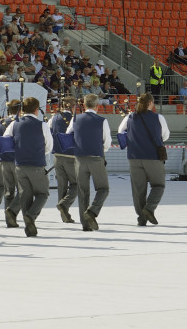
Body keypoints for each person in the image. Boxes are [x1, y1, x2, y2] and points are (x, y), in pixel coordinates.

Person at [3, 97, 53, 237]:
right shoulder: (42, 125)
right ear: (36, 110)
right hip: (36, 163)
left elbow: (6, 140)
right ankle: (31, 216)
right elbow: (49, 145)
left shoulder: (14, 124)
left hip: (19, 164)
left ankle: (29, 227)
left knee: (25, 194)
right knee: (43, 193)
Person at [118, 93, 169, 227]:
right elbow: (165, 135)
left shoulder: (130, 117)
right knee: (159, 185)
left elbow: (120, 131)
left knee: (138, 190)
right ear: (151, 103)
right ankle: (149, 208)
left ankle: (141, 218)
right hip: (152, 157)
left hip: (134, 157)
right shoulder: (158, 117)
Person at [71, 93, 111, 232]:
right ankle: (92, 211)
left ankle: (85, 224)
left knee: (83, 191)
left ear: (83, 105)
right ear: (97, 106)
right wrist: (100, 149)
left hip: (79, 158)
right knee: (103, 188)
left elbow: (68, 135)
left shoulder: (75, 119)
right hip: (96, 157)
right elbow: (107, 142)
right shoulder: (102, 120)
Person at [46, 97, 78, 224]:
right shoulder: (76, 119)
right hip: (72, 156)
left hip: (57, 156)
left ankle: (64, 214)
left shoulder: (53, 118)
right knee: (77, 184)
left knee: (62, 186)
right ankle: (64, 204)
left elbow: (48, 133)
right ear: (72, 106)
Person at [0, 99, 22, 208]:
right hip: (18, 160)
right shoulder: (20, 122)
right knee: (22, 189)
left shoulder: (0, 122)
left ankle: (8, 212)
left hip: (4, 160)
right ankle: (13, 211)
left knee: (9, 190)